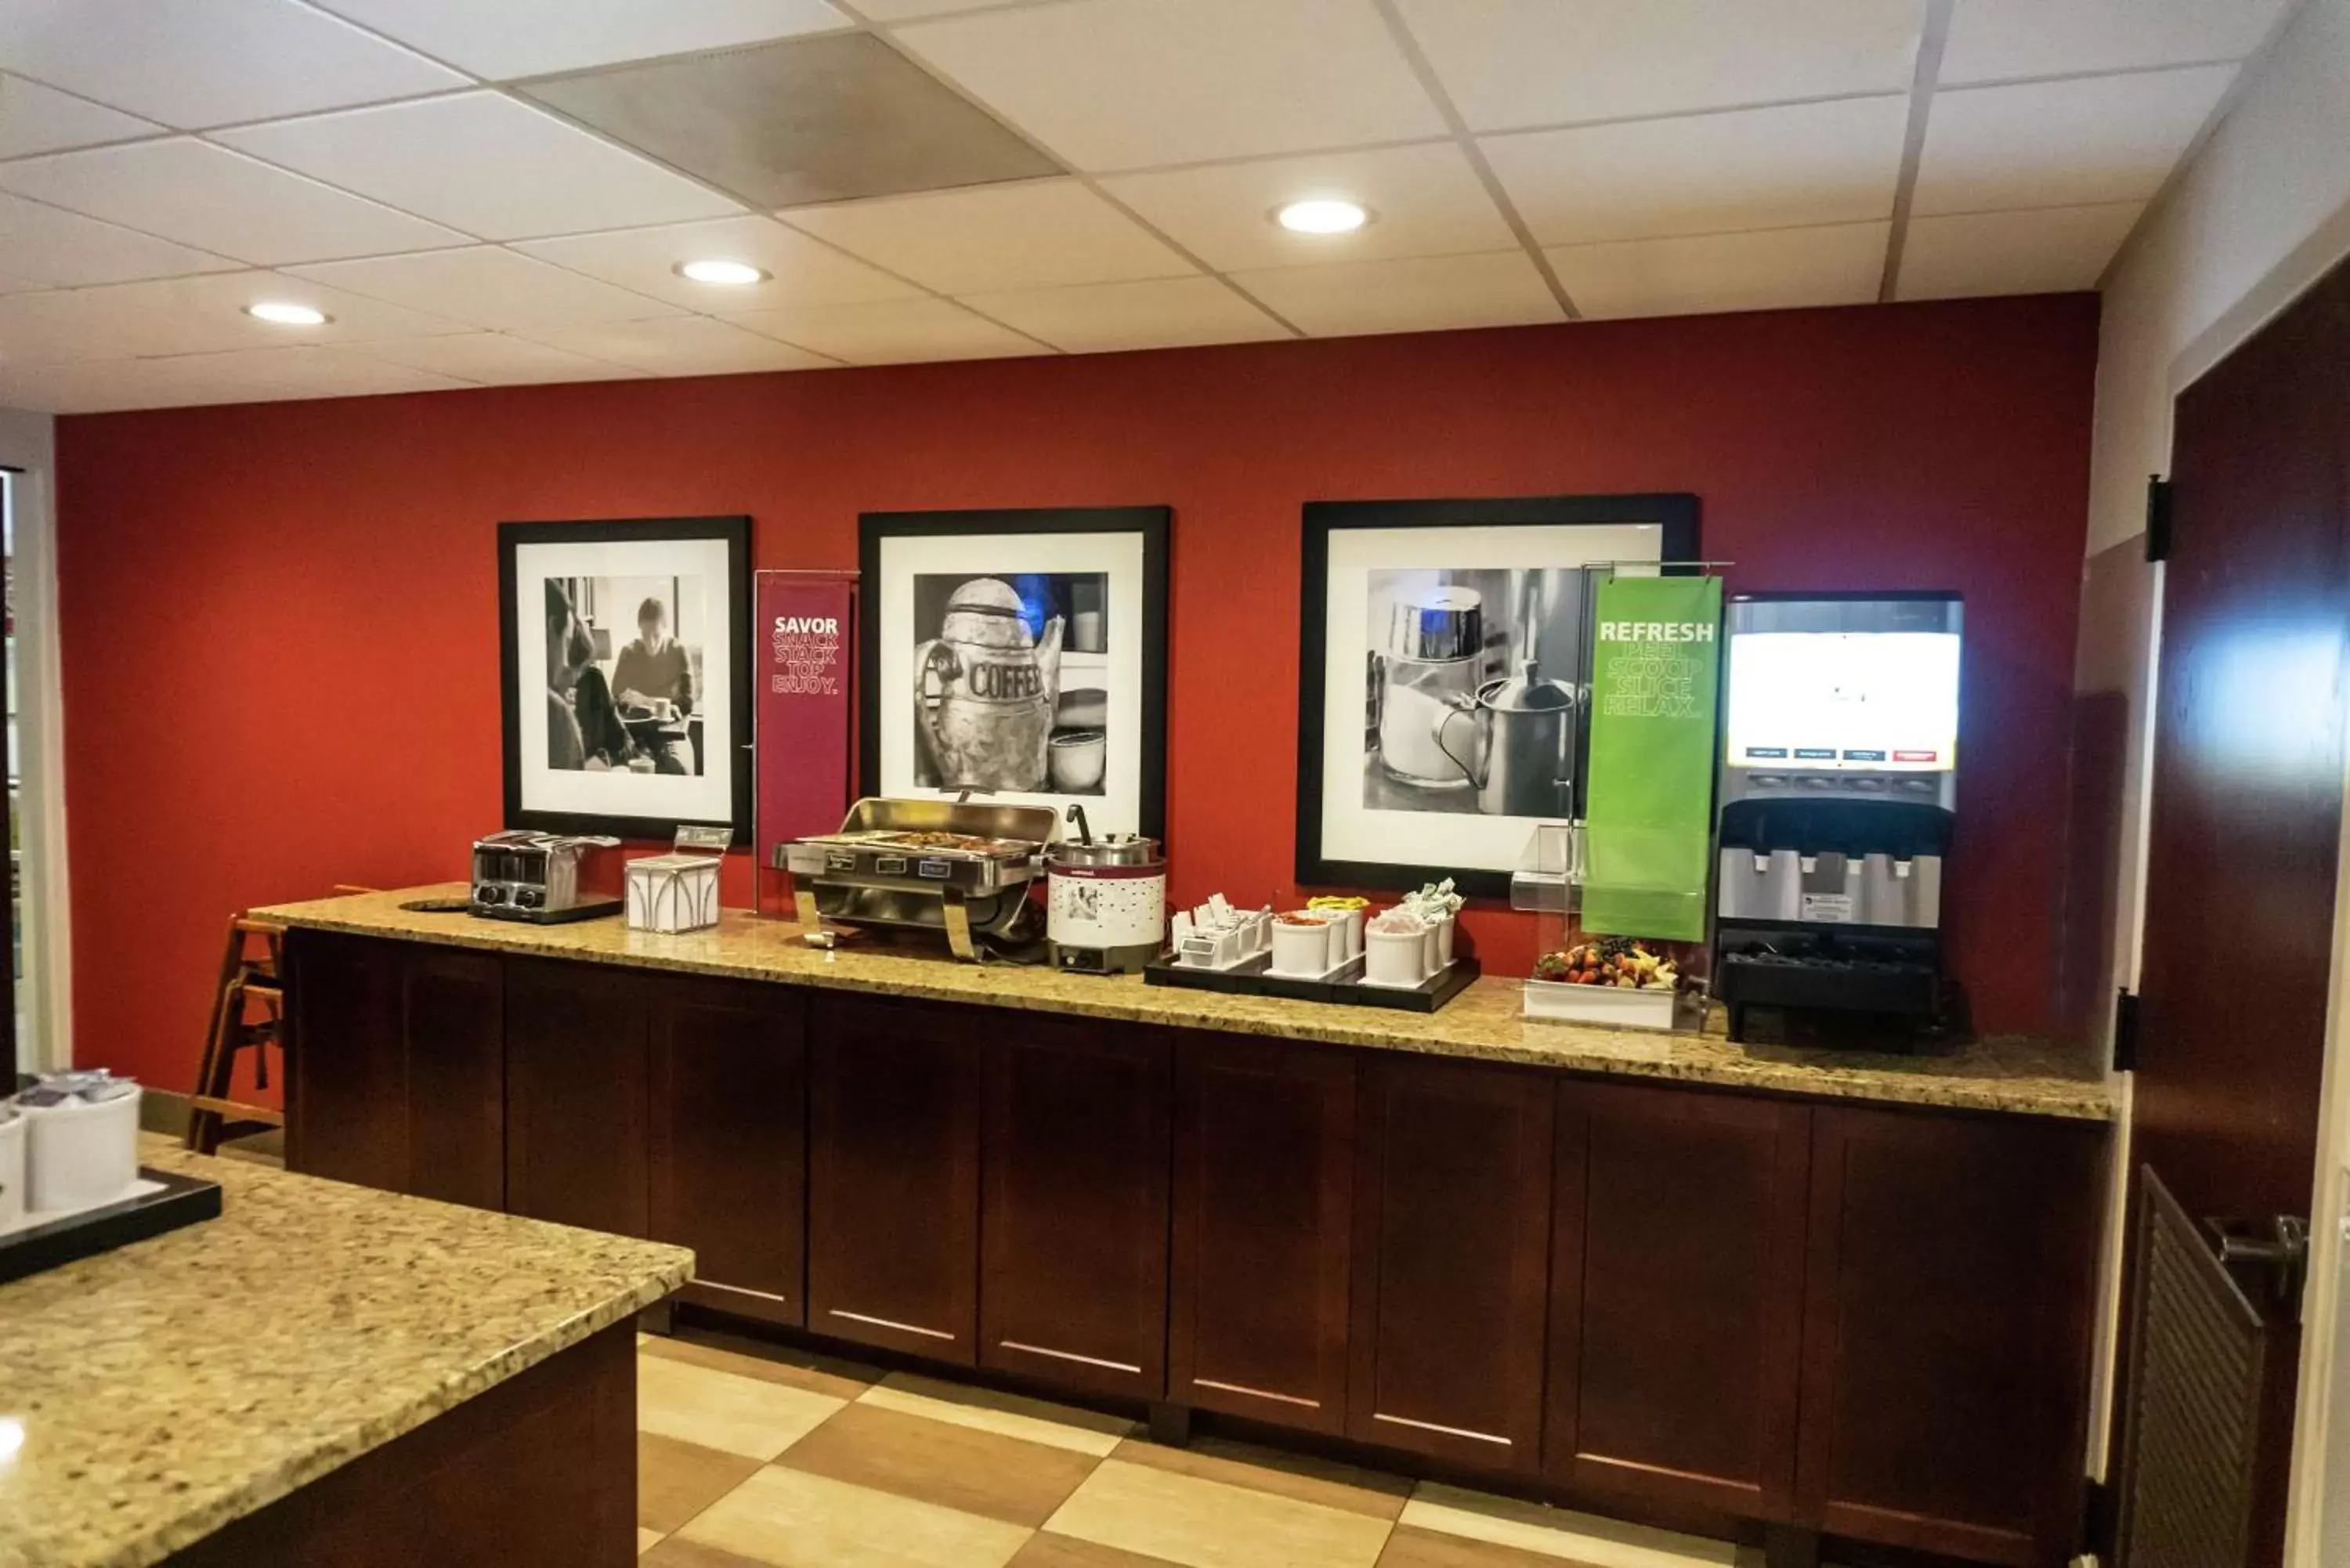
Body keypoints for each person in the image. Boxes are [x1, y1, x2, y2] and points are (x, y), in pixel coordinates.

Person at [613, 596, 695, 775]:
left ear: (665, 628)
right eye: (645, 635)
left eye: (656, 635)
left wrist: (646, 701)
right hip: (636, 735)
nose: (651, 643)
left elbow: (688, 703)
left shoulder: (678, 651)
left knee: (678, 768)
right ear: (639, 629)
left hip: (670, 735)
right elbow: (616, 695)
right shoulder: (629, 652)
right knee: (629, 770)